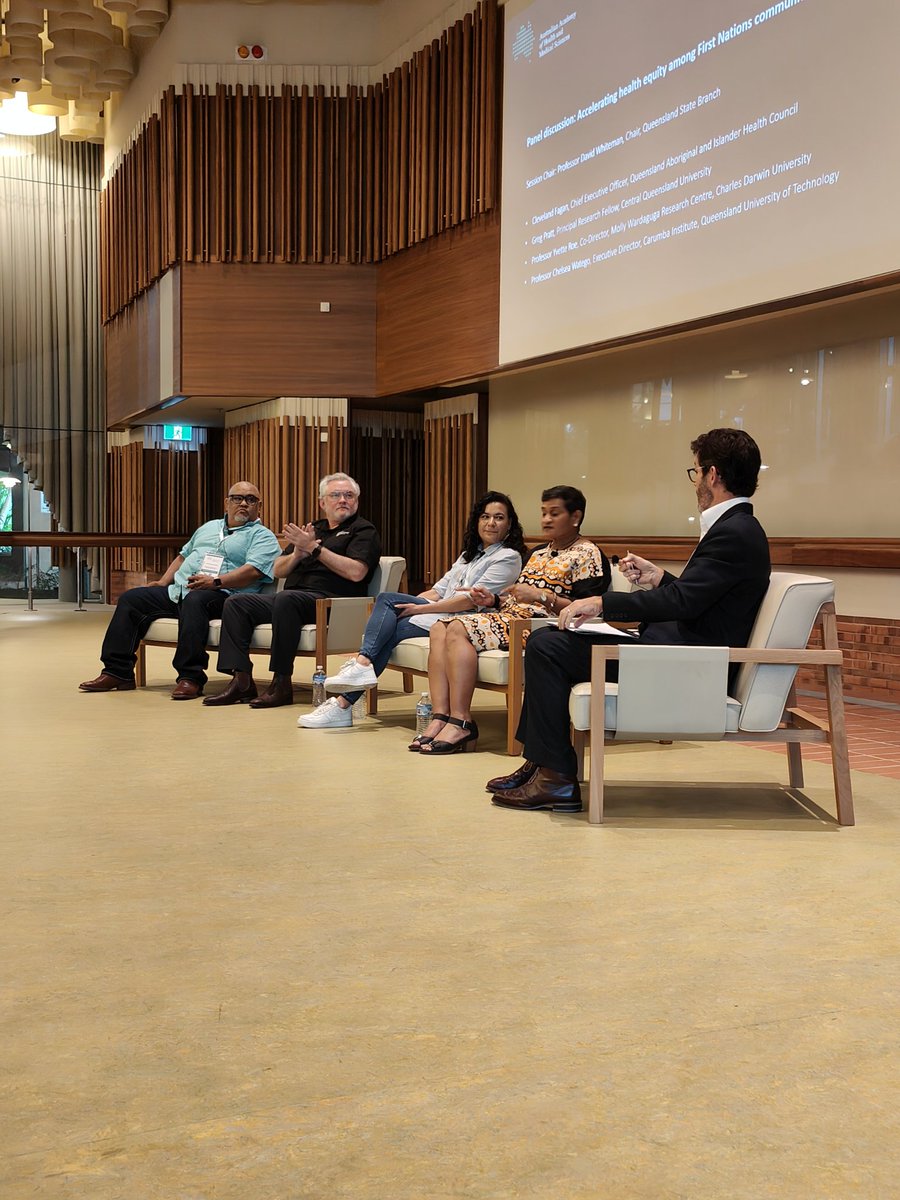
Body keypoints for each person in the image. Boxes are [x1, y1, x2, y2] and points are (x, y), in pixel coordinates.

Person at [488, 428, 771, 812]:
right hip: (678, 651)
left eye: (696, 472)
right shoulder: (736, 528)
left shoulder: (735, 531)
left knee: (548, 645)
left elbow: (686, 602)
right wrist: (660, 579)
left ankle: (554, 776)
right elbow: (702, 597)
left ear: (713, 474)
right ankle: (541, 764)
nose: (696, 483)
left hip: (687, 664)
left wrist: (600, 602)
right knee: (546, 642)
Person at [298, 491, 527, 729]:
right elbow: (438, 590)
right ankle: (351, 688)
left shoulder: (507, 557)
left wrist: (418, 610)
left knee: (389, 612)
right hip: (442, 612)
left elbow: (469, 602)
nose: (490, 523)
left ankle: (350, 688)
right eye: (485, 516)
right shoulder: (468, 555)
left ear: (509, 524)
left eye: (499, 518)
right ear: (477, 521)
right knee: (391, 611)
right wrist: (410, 605)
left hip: (466, 622)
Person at [416, 485, 611, 755]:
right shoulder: (538, 553)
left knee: (458, 626)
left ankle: (462, 721)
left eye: (554, 513)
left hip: (543, 628)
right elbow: (518, 599)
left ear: (575, 517)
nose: (546, 520)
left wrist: (541, 596)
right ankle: (441, 717)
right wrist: (493, 601)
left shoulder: (588, 555)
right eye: (543, 513)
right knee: (440, 627)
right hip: (511, 616)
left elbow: (590, 610)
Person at [79, 482, 280, 699]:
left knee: (196, 600)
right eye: (237, 498)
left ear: (259, 506)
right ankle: (117, 672)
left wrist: (216, 582)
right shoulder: (208, 527)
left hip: (226, 597)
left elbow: (253, 572)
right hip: (181, 591)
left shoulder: (262, 536)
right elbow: (183, 556)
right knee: (132, 599)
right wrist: (163, 582)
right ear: (226, 503)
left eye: (251, 499)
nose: (243, 503)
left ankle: (190, 677)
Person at [204, 472, 381, 709]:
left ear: (356, 501)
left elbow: (356, 572)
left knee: (287, 599)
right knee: (238, 603)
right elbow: (278, 569)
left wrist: (315, 550)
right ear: (322, 503)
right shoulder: (313, 529)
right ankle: (241, 679)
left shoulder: (363, 530)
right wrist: (298, 553)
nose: (342, 500)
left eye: (348, 495)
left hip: (333, 603)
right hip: (293, 601)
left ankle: (281, 683)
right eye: (335, 495)